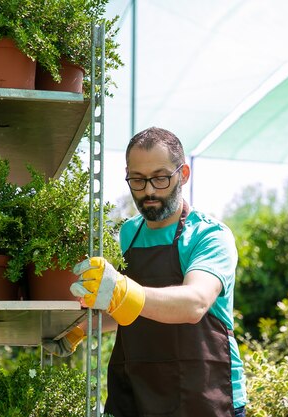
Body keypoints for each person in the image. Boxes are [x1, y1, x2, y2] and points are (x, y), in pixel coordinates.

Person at [53, 126, 247, 417]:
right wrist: (79, 329)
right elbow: (130, 307)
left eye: (160, 178)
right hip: (138, 393)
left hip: (204, 393)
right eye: (138, 180)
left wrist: (122, 290)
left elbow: (195, 303)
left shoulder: (209, 235)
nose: (149, 191)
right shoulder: (128, 234)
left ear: (183, 175)